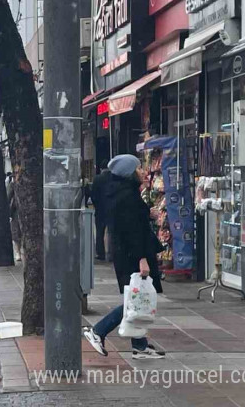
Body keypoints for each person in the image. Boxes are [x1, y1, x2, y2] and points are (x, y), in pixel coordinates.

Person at [83, 154, 166, 360]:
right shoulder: (126, 196)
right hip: (133, 255)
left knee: (138, 297)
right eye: (138, 169)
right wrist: (142, 259)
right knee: (135, 300)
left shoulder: (122, 193)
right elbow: (132, 231)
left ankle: (140, 345)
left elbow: (132, 219)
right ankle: (98, 330)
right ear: (129, 173)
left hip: (128, 254)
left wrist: (147, 213)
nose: (142, 172)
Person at [90, 160, 112, 260]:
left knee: (100, 232)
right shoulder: (113, 178)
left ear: (100, 169)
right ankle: (112, 253)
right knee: (112, 232)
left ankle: (100, 253)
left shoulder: (97, 179)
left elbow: (93, 194)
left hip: (100, 210)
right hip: (112, 209)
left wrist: (96, 205)